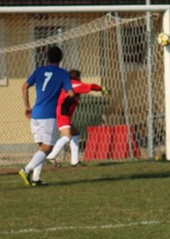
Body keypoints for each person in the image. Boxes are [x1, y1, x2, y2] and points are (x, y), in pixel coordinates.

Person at [19, 46, 74, 186]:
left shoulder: (39, 70)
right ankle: (27, 170)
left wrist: (27, 106)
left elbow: (24, 86)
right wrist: (66, 105)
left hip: (35, 114)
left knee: (41, 147)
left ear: (47, 58)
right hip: (49, 115)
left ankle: (36, 178)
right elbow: (71, 93)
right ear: (61, 58)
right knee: (47, 147)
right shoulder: (62, 73)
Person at [46, 69, 106, 168]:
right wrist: (102, 89)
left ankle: (75, 161)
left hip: (62, 113)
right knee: (67, 136)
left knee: (75, 133)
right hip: (62, 113)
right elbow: (91, 86)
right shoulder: (75, 84)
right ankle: (51, 156)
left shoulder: (67, 84)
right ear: (78, 77)